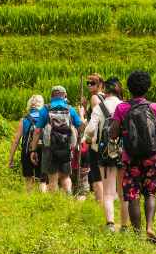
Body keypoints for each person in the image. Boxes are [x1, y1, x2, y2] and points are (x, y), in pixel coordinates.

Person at [110, 70, 156, 244]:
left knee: (133, 195)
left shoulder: (122, 108)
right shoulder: (154, 107)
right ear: (147, 88)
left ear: (129, 87)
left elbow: (113, 134)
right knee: (150, 193)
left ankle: (137, 234)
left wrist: (120, 129)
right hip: (150, 157)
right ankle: (150, 226)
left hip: (130, 158)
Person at [83, 76, 127, 231]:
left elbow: (89, 130)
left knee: (108, 192)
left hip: (105, 153)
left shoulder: (99, 107)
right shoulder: (125, 106)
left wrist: (89, 140)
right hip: (123, 153)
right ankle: (125, 226)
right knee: (123, 192)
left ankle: (110, 225)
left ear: (105, 90)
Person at [31, 85, 83, 194]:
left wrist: (33, 149)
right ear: (64, 96)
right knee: (65, 177)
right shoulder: (70, 109)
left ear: (51, 96)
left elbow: (37, 131)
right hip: (66, 147)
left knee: (52, 178)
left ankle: (54, 204)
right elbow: (80, 126)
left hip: (49, 148)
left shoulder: (45, 109)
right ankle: (68, 200)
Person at [8, 94, 44, 193]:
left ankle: (29, 199)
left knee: (29, 179)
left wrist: (10, 159)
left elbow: (16, 141)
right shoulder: (44, 118)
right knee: (42, 180)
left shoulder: (24, 120)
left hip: (27, 151)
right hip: (42, 150)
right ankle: (43, 201)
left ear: (29, 105)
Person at [79, 74, 105, 202]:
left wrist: (82, 114)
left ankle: (99, 201)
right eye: (88, 83)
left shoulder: (95, 98)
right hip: (104, 138)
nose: (89, 85)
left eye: (92, 83)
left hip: (95, 139)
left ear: (100, 84)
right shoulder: (105, 97)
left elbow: (95, 121)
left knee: (96, 172)